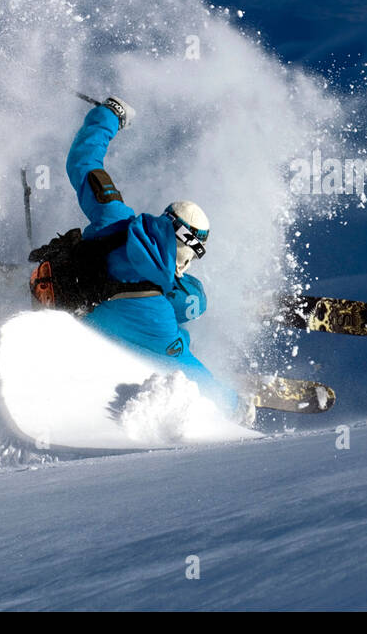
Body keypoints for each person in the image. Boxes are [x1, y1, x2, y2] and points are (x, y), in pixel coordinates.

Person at [60, 95, 239, 416]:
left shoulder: (114, 217)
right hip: (87, 324)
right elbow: (188, 368)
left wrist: (109, 115)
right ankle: (196, 304)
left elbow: (83, 162)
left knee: (178, 293)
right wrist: (235, 404)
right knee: (187, 301)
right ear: (189, 255)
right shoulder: (154, 314)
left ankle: (191, 299)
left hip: (58, 283)